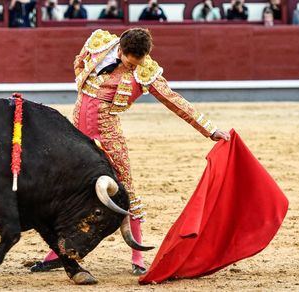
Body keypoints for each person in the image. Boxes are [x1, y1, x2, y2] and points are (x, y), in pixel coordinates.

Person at [29, 28, 230, 276]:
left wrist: (210, 129)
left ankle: (138, 257)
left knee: (125, 190)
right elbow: (78, 62)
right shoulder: (99, 42)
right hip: (76, 135)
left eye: (138, 63)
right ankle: (57, 255)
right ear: (120, 49)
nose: (133, 67)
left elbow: (174, 100)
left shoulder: (145, 70)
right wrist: (84, 86)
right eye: (128, 61)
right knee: (69, 192)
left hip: (107, 136)